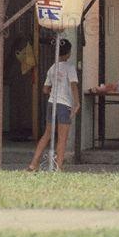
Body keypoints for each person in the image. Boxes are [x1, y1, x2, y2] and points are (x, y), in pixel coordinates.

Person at [28, 38, 80, 172]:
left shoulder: (52, 68)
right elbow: (73, 85)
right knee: (62, 138)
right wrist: (77, 103)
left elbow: (45, 89)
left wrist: (54, 90)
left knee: (47, 134)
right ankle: (58, 167)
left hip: (52, 103)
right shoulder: (70, 68)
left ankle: (33, 164)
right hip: (64, 105)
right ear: (68, 53)